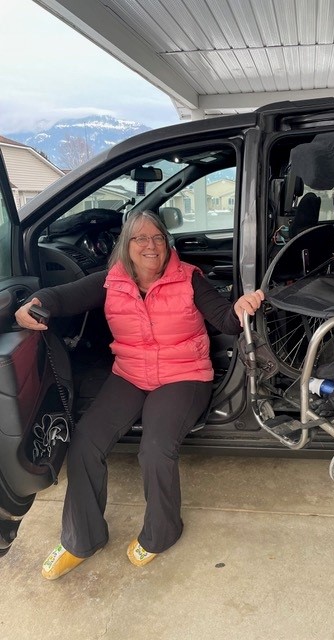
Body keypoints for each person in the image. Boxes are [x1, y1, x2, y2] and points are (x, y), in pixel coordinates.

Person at [15, 210, 264, 580]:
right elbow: (61, 297)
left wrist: (241, 309)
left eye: (158, 238)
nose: (151, 246)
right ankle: (81, 538)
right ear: (126, 246)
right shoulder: (110, 281)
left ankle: (162, 532)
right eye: (140, 239)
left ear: (167, 243)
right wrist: (33, 305)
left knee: (155, 447)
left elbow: (225, 320)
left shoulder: (189, 279)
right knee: (84, 442)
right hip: (130, 374)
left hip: (184, 375)